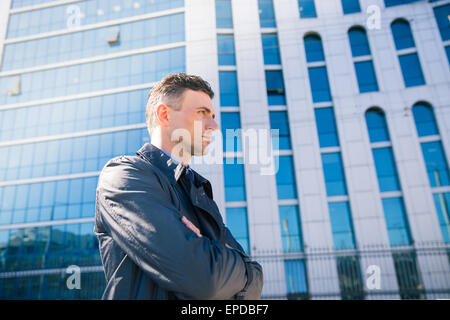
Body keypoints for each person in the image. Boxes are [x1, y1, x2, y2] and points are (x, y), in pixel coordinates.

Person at [94, 73, 263, 299]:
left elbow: (255, 283)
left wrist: (230, 265)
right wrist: (234, 265)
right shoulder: (124, 175)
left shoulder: (198, 189)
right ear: (164, 115)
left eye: (212, 115)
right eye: (202, 113)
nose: (213, 125)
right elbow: (205, 279)